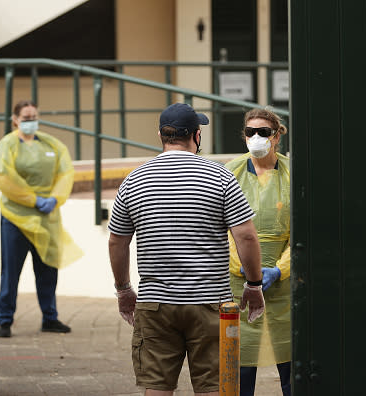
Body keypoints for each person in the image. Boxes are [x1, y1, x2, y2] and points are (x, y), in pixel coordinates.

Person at [108, 103, 265, 396]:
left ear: (161, 135)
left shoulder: (134, 179)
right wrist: (254, 285)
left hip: (155, 305)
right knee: (213, 387)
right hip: (210, 304)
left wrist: (123, 290)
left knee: (156, 386)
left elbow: (117, 240)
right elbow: (246, 236)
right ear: (196, 135)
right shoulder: (219, 176)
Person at [0, 100, 81, 337]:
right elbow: (3, 176)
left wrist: (54, 198)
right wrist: (33, 199)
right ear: (15, 120)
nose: (31, 122)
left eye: (34, 117)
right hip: (16, 218)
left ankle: (50, 318)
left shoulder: (50, 144)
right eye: (26, 118)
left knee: (48, 270)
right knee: (11, 273)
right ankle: (5, 320)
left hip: (46, 217)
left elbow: (65, 170)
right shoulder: (7, 146)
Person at [225, 108, 291, 396]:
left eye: (263, 132)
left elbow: (305, 234)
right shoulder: (229, 173)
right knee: (240, 367)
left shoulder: (293, 175)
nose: (256, 137)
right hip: (238, 284)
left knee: (291, 366)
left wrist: (281, 269)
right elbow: (220, 229)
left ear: (276, 136)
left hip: (285, 286)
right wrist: (245, 267)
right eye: (250, 132)